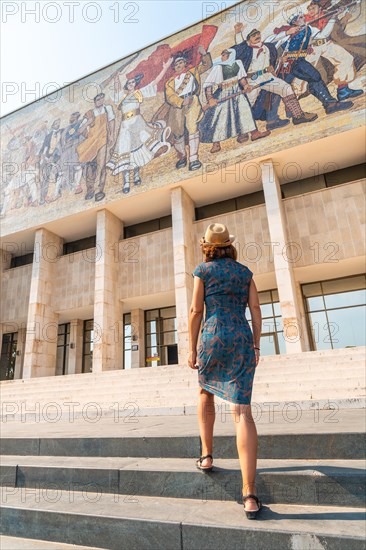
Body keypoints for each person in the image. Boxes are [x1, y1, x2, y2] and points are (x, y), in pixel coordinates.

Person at [188, 223, 263, 520]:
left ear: (207, 246)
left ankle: (206, 456)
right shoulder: (245, 273)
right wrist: (256, 344)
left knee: (205, 392)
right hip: (241, 337)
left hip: (213, 336)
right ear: (229, 245)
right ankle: (250, 494)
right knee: (242, 411)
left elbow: (195, 311)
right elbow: (256, 309)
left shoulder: (202, 271)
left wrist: (192, 348)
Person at [200, 48, 269, 153]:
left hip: (237, 91)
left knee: (244, 111)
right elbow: (208, 85)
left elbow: (241, 78)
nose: (222, 57)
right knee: (219, 117)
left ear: (230, 55)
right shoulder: (218, 68)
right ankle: (216, 143)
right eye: (223, 55)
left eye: (225, 55)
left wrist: (246, 86)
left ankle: (254, 133)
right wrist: (210, 99)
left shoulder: (238, 63)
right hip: (223, 93)